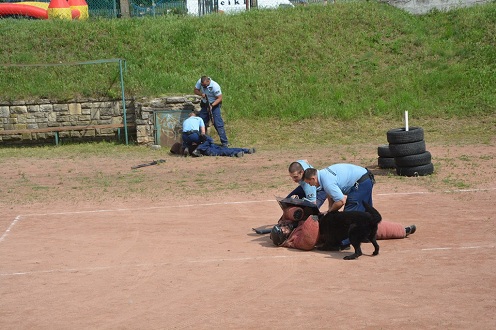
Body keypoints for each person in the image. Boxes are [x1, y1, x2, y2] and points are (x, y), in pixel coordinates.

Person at [193, 76, 229, 147]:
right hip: (205, 104)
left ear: (208, 81)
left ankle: (225, 142)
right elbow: (195, 90)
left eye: (205, 85)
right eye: (202, 85)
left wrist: (212, 106)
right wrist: (201, 94)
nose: (204, 87)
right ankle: (200, 141)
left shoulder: (215, 86)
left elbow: (220, 98)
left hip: (214, 104)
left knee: (217, 123)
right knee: (201, 121)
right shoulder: (200, 82)